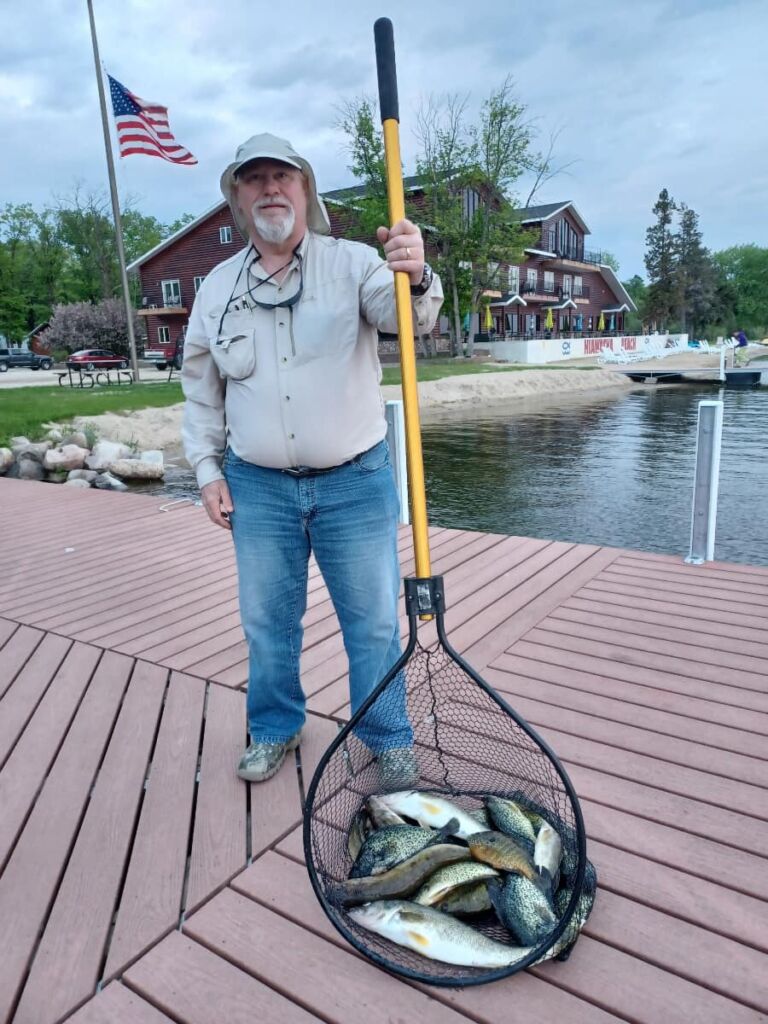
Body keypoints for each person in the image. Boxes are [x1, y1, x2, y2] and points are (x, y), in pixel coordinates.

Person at [181, 134, 443, 785]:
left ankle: (386, 736)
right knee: (267, 623)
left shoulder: (356, 263)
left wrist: (418, 271)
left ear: (305, 190)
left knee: (375, 622)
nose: (270, 188)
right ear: (238, 200)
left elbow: (409, 317)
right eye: (255, 180)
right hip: (257, 487)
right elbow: (200, 387)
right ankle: (275, 727)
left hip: (355, 482)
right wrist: (208, 471)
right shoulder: (216, 287)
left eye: (283, 176)